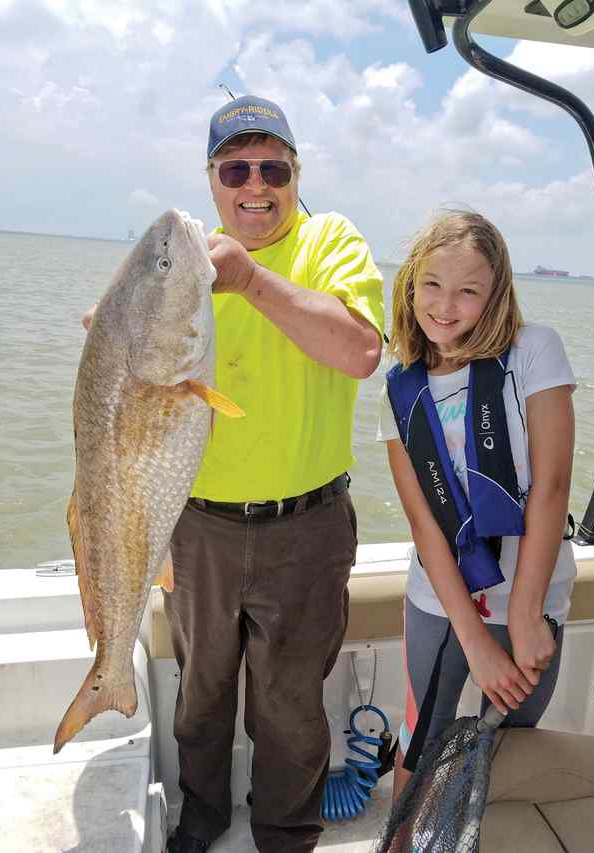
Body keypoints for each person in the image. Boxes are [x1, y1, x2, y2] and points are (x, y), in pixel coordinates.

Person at [162, 97, 384, 853]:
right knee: (200, 695)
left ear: (296, 174)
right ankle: (201, 815)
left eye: (273, 168)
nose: (255, 184)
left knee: (291, 707)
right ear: (213, 181)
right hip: (195, 527)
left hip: (308, 529)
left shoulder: (332, 241)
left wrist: (252, 280)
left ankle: (285, 831)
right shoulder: (180, 257)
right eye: (235, 168)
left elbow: (359, 351)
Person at [376, 210, 576, 800]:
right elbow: (424, 524)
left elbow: (553, 485)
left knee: (510, 746)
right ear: (410, 284)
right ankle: (405, 838)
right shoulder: (398, 388)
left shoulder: (533, 351)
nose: (445, 305)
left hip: (533, 600)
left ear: (495, 297)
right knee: (424, 739)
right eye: (431, 285)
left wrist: (524, 609)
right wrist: (475, 639)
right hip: (439, 603)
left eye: (468, 291)